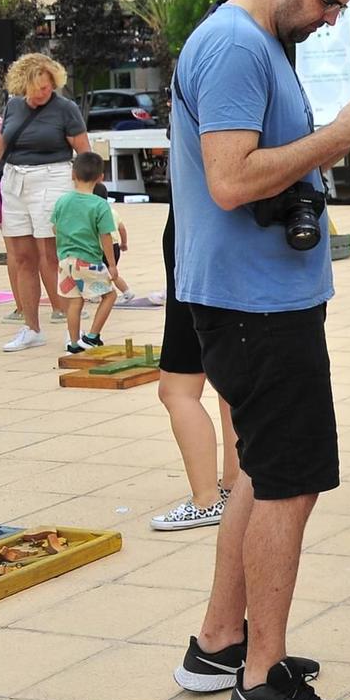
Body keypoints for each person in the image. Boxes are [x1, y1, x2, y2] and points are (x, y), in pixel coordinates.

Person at [167, 0, 350, 700]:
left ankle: (218, 644)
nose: (334, 20)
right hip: (253, 306)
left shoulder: (255, 43)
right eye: (329, 2)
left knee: (261, 473)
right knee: (289, 483)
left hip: (257, 297)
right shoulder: (236, 46)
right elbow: (231, 181)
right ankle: (261, 684)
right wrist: (338, 134)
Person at [0, 53, 88, 352]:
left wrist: (86, 192)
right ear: (23, 85)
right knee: (21, 257)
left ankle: (74, 330)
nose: (43, 92)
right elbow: (2, 143)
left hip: (52, 176)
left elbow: (83, 151)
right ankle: (31, 328)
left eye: (47, 86)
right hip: (15, 178)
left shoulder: (65, 108)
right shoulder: (14, 105)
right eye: (37, 88)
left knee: (52, 254)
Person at [151, 206, 237, 532]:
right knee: (229, 380)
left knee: (177, 390)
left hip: (196, 255)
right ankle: (234, 485)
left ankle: (206, 499)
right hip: (231, 253)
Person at [51, 151, 126, 355]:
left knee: (75, 302)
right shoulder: (100, 205)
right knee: (109, 295)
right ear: (101, 178)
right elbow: (106, 237)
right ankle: (92, 336)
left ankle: (74, 344)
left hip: (65, 262)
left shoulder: (62, 202)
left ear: (73, 174)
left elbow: (55, 229)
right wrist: (111, 264)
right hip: (89, 261)